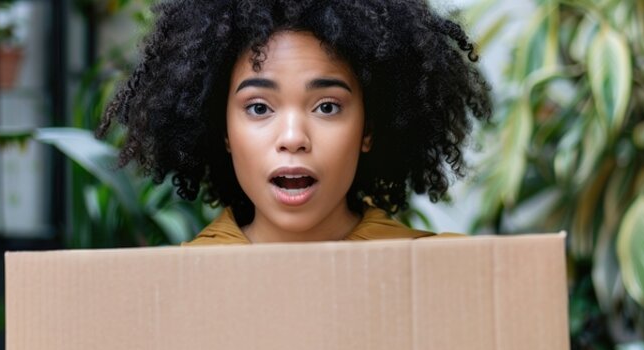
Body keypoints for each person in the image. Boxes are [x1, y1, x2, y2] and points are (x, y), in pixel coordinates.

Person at [98, 0, 492, 245]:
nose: (292, 138)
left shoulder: (440, 276)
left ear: (368, 129)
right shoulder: (174, 289)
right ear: (223, 131)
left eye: (327, 107)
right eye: (259, 108)